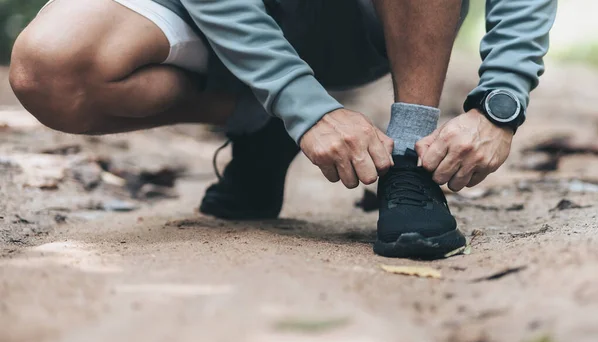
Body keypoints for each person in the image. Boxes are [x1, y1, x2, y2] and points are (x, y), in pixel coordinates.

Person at [9, 0, 557, 259]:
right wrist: (303, 109)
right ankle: (263, 122)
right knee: (50, 69)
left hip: (365, 20)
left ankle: (409, 154)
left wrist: (498, 103)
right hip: (214, 11)